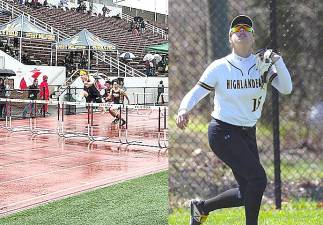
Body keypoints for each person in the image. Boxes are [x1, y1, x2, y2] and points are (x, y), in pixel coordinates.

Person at [176, 15, 292, 225]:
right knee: (258, 179)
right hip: (222, 132)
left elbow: (286, 88)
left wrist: (278, 60)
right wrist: (184, 109)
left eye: (247, 27)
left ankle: (202, 208)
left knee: (248, 190)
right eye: (236, 28)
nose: (242, 29)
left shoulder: (262, 65)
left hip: (248, 132)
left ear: (253, 37)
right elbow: (195, 92)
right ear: (230, 38)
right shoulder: (220, 66)